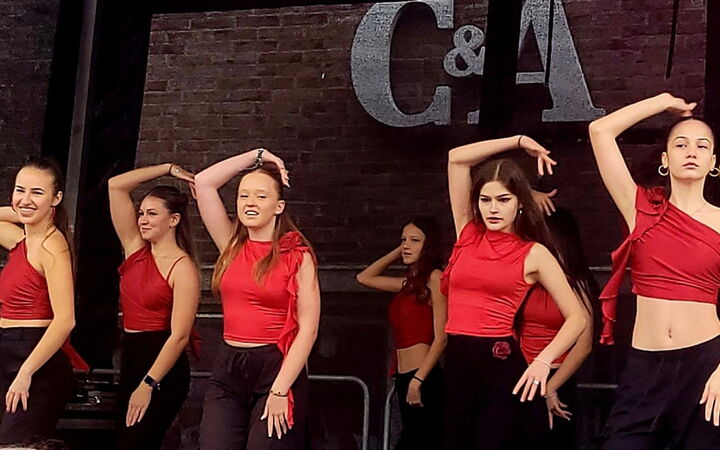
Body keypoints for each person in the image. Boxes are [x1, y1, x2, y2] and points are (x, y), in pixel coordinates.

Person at [589, 93, 720, 448]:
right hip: (645, 367)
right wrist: (663, 102)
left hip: (708, 365)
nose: (691, 152)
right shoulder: (641, 208)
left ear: (713, 161)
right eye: (680, 144)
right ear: (665, 159)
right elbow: (600, 131)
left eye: (701, 146)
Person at [441, 135, 586, 450]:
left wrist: (543, 361)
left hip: (499, 361)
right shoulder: (468, 232)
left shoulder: (533, 253)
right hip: (456, 361)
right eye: (485, 200)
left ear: (521, 202)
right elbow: (456, 158)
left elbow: (578, 317)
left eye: (503, 200)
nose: (493, 209)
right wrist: (518, 142)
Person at [195, 148, 320, 449]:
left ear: (279, 206)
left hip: (276, 368)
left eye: (261, 196)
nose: (250, 202)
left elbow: (308, 329)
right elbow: (203, 182)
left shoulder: (298, 256)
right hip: (229, 365)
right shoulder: (231, 245)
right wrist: (259, 155)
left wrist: (279, 390)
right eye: (243, 196)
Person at [108, 163, 200, 449]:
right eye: (141, 213)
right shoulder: (135, 248)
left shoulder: (182, 267)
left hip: (162, 365)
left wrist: (148, 384)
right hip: (131, 357)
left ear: (173, 220)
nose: (143, 220)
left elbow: (180, 337)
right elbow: (115, 186)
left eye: (152, 213)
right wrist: (168, 169)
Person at [0, 157, 86, 444]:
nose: (25, 199)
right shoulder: (21, 241)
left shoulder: (52, 246)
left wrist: (26, 372)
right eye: (20, 190)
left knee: (14, 444)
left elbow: (65, 320)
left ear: (56, 198)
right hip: (7, 350)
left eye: (37, 192)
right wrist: (23, 208)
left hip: (34, 356)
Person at [356, 216, 447, 449]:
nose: (406, 245)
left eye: (415, 240)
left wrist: (418, 380)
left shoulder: (435, 278)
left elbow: (441, 338)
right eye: (403, 240)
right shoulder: (408, 283)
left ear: (429, 245)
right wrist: (400, 251)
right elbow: (364, 278)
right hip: (405, 376)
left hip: (424, 376)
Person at [516, 208, 597, 449]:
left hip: (556, 375)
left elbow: (584, 345)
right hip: (521, 374)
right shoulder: (528, 279)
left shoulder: (576, 284)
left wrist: (551, 388)